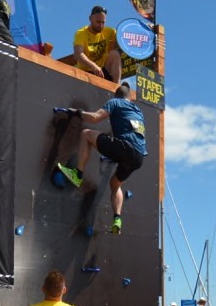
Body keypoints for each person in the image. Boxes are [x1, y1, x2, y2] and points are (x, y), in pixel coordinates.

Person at [56, 84, 147, 234]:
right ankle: (117, 218)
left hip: (125, 148)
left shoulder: (115, 102)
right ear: (130, 98)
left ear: (117, 96)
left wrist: (77, 112)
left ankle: (77, 174)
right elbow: (130, 130)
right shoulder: (138, 112)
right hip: (138, 157)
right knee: (115, 184)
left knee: (86, 134)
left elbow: (95, 118)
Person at [72, 5, 122, 83]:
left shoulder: (110, 32)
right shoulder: (81, 34)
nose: (101, 25)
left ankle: (116, 87)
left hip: (102, 72)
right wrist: (94, 66)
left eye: (103, 22)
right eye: (98, 22)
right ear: (90, 18)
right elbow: (78, 54)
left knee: (115, 54)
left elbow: (125, 40)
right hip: (86, 73)